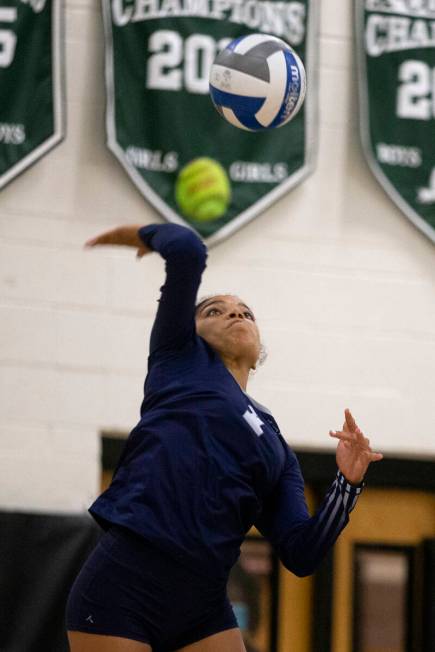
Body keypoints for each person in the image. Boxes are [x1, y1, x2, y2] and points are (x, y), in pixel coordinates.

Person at [65, 222, 383, 652]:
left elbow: (302, 553)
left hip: (203, 603)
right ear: (189, 331)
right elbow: (186, 249)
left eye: (246, 312)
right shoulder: (178, 361)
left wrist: (348, 483)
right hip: (126, 582)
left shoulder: (276, 448)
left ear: (260, 349)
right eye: (214, 310)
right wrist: (138, 236)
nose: (235, 313)